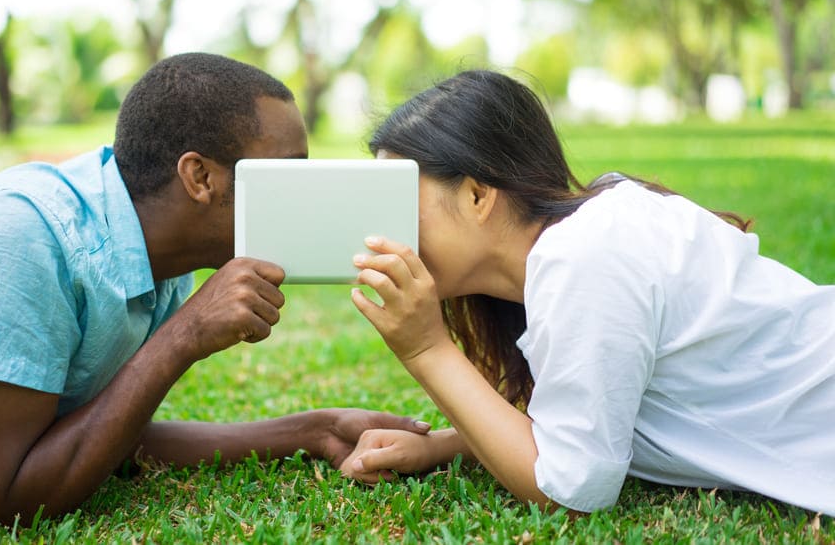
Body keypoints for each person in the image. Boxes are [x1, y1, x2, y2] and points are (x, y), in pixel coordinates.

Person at [0, 52, 429, 522]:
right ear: (199, 176)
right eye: (286, 173)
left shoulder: (159, 253)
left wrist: (316, 430)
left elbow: (98, 439)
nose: (307, 196)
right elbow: (10, 498)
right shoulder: (20, 239)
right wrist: (184, 336)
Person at [338, 69, 835, 516]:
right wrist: (443, 447)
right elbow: (592, 420)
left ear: (476, 195)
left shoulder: (585, 255)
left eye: (400, 195)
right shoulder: (582, 243)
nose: (389, 227)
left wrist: (426, 348)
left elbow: (571, 491)